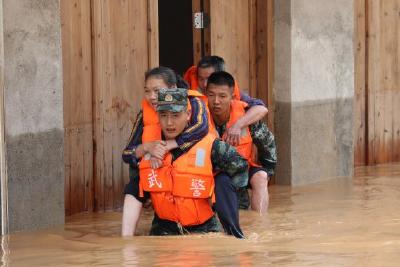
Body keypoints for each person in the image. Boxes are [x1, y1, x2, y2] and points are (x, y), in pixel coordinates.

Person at [139, 88, 249, 236]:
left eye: (176, 115)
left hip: (204, 230)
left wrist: (220, 195)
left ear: (188, 114)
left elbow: (241, 168)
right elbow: (135, 185)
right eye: (163, 115)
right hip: (162, 231)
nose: (169, 122)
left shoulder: (211, 145)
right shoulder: (149, 146)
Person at [121, 67, 209, 236]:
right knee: (133, 186)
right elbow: (127, 154)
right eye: (147, 91)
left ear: (173, 88)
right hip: (159, 166)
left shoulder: (192, 103)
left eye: (157, 90)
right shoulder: (145, 113)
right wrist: (148, 147)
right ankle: (126, 241)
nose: (152, 96)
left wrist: (169, 145)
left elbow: (202, 128)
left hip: (196, 165)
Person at [205, 71, 277, 213]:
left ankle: (260, 222)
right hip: (211, 172)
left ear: (232, 97)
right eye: (211, 95)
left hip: (244, 168)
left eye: (222, 96)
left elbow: (268, 144)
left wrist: (268, 171)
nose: (216, 101)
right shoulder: (198, 116)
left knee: (261, 177)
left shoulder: (246, 117)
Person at [184, 55, 268, 147]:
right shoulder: (189, 93)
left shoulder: (230, 91)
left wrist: (238, 125)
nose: (204, 84)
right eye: (201, 79)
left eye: (209, 78)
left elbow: (261, 109)